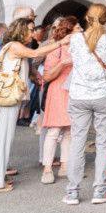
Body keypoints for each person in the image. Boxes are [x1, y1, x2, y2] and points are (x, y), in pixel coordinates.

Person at [0, 19, 68, 193]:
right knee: (1, 138)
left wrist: (34, 75)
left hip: (5, 98)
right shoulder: (14, 45)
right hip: (5, 99)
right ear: (20, 30)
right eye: (30, 29)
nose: (33, 32)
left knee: (2, 138)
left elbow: (26, 64)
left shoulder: (12, 46)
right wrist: (60, 43)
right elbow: (36, 54)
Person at [64, 4, 106, 205]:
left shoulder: (76, 39)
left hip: (79, 94)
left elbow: (76, 62)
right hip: (105, 94)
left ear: (86, 18)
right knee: (104, 143)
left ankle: (72, 192)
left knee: (77, 142)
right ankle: (100, 190)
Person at [40, 16, 77, 184]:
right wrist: (62, 63)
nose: (81, 31)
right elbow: (47, 76)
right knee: (54, 131)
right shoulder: (57, 49)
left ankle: (64, 165)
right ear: (68, 32)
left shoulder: (81, 48)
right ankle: (47, 168)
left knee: (70, 131)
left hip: (75, 91)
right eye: (78, 29)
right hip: (58, 91)